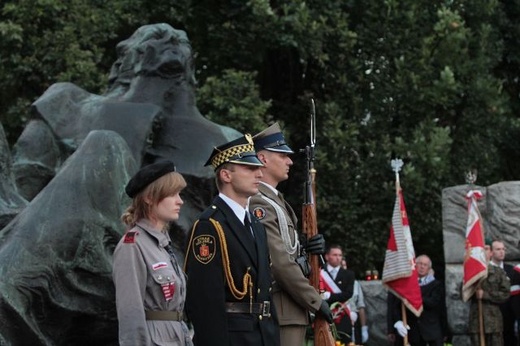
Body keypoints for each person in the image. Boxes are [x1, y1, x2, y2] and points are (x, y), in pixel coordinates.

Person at [184, 134, 280, 346]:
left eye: (258, 167)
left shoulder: (256, 225)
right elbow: (204, 302)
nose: (259, 173)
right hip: (233, 337)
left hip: (263, 335)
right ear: (226, 175)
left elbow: (264, 291)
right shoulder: (209, 226)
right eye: (249, 168)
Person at [249, 122, 333, 346]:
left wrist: (308, 248)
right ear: (263, 158)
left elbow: (290, 251)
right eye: (282, 155)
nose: (290, 161)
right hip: (281, 309)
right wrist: (315, 301)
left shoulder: (276, 202)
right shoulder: (259, 202)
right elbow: (279, 262)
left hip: (291, 309)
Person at [113, 160, 192, 346]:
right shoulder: (132, 245)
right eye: (172, 194)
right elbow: (130, 314)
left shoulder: (161, 244)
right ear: (149, 197)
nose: (180, 201)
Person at [387, 255, 446, 346]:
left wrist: (413, 297)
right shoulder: (405, 285)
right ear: (415, 265)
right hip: (412, 332)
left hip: (431, 331)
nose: (422, 266)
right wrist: (395, 325)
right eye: (420, 263)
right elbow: (395, 306)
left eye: (425, 265)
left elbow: (433, 303)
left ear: (429, 268)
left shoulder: (436, 285)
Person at [468, 239, 511, 346]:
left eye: (486, 249)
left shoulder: (498, 272)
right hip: (476, 321)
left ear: (491, 253)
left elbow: (505, 294)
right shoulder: (471, 273)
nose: (484, 252)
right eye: (481, 249)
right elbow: (462, 293)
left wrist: (485, 295)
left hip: (493, 321)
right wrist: (473, 292)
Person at [321, 245, 356, 345]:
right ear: (327, 257)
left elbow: (348, 294)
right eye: (335, 255)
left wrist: (329, 296)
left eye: (340, 255)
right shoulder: (320, 272)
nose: (338, 258)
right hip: (324, 315)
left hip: (342, 315)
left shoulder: (348, 274)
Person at [490, 239, 518, 346]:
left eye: (503, 249)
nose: (502, 252)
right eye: (498, 249)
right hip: (492, 316)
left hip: (509, 317)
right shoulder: (485, 271)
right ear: (491, 252)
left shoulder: (512, 270)